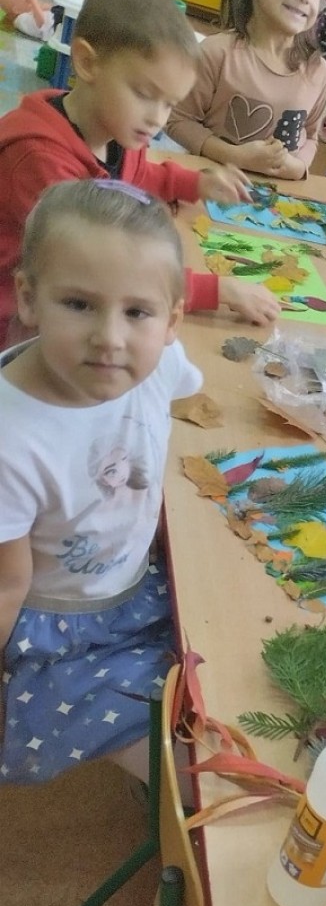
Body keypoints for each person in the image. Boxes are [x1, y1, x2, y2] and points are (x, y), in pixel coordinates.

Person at [0, 179, 202, 785]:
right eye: (79, 304)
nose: (110, 339)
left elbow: (181, 402)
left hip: (141, 584)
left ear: (171, 320)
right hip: (56, 633)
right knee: (190, 772)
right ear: (28, 298)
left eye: (137, 312)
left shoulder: (160, 361)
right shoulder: (10, 438)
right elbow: (8, 585)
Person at [0, 0, 279, 351]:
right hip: (18, 326)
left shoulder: (117, 127)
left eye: (169, 104)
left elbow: (136, 175)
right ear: (87, 62)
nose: (157, 119)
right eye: (145, 94)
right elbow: (103, 269)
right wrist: (218, 290)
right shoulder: (40, 161)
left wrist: (196, 183)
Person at [166, 0, 326, 181]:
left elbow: (310, 136)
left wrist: (299, 167)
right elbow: (177, 121)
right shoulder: (217, 53)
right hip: (212, 185)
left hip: (278, 199)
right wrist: (234, 156)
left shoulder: (317, 71)